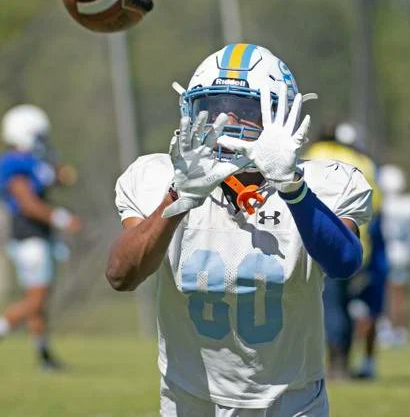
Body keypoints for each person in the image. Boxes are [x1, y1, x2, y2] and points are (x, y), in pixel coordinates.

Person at [107, 44, 372, 416]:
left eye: (245, 109)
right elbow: (121, 275)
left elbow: (344, 262)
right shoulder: (158, 177)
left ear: (281, 114)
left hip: (291, 399)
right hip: (189, 398)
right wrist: (176, 199)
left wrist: (293, 188)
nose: (224, 120)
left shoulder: (323, 181)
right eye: (211, 107)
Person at [0, 104, 81, 370]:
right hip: (29, 237)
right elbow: (27, 203)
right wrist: (61, 218)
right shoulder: (15, 163)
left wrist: (59, 175)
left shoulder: (34, 162)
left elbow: (52, 177)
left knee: (38, 301)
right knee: (36, 300)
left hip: (36, 237)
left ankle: (44, 356)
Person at [305, 122, 384, 380]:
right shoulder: (362, 160)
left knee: (327, 307)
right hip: (357, 245)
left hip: (311, 243)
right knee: (345, 306)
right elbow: (376, 205)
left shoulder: (311, 155)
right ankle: (342, 363)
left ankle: (331, 362)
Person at [377, 164, 410, 348]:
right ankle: (400, 329)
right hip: (404, 252)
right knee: (401, 294)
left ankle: (388, 328)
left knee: (387, 293)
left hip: (387, 251)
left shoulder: (384, 204)